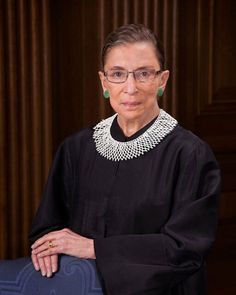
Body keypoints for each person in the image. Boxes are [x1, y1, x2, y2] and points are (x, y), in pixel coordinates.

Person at [29, 24, 221, 295]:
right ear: (104, 82)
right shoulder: (75, 149)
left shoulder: (191, 155)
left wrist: (94, 249)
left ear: (162, 80)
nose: (130, 88)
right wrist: (47, 249)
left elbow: (185, 248)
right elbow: (47, 229)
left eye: (143, 73)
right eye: (118, 74)